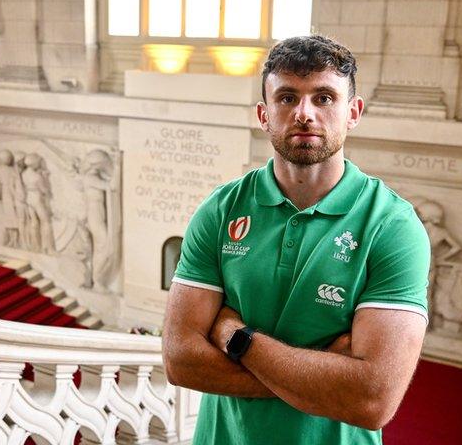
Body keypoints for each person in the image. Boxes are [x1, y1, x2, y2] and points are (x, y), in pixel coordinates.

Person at [163, 35, 431, 444]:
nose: (304, 114)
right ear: (264, 114)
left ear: (353, 112)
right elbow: (181, 362)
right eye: (287, 98)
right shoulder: (221, 210)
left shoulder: (393, 225)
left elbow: (372, 400)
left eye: (324, 98)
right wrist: (325, 376)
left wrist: (237, 339)